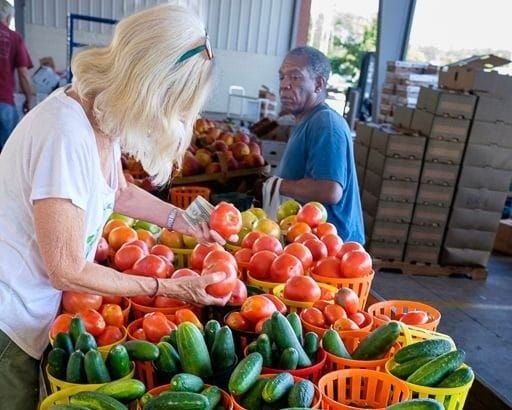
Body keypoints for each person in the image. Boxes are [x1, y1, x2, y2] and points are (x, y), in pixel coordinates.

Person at [0, 5, 226, 408]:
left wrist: (185, 222)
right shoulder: (64, 134)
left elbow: (117, 192)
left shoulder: (98, 115)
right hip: (9, 322)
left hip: (32, 313)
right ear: (147, 87)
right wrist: (166, 288)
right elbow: (66, 268)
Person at [276, 46, 364, 243]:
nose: (284, 85)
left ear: (318, 84)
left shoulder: (325, 123)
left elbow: (329, 190)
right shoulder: (304, 121)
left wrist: (275, 185)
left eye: (295, 77)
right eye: (282, 77)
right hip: (309, 242)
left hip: (333, 251)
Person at [0, 0, 33, 150]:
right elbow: (23, 75)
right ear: (8, 18)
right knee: (8, 152)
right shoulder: (14, 38)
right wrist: (29, 99)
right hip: (3, 102)